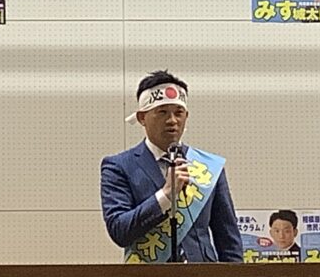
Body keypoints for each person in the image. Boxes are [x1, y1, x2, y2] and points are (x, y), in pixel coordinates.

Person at [100, 70, 243, 262]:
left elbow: (228, 238)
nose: (172, 121)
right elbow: (119, 230)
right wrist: (166, 195)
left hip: (203, 274)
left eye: (179, 113)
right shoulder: (119, 166)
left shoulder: (207, 167)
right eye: (162, 112)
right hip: (148, 276)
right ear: (142, 118)